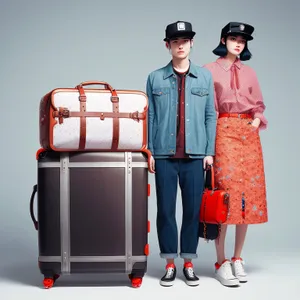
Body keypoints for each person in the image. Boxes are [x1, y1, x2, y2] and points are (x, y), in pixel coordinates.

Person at [146, 20, 217, 287]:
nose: (180, 46)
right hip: (164, 156)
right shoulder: (154, 77)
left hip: (196, 155)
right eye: (175, 42)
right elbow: (150, 116)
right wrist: (149, 151)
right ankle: (169, 264)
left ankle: (188, 262)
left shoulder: (205, 77)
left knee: (191, 211)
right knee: (165, 211)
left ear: (191, 44)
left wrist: (209, 151)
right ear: (168, 45)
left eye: (185, 41)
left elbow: (211, 115)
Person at [203, 22, 268, 287]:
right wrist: (210, 145)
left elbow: (259, 105)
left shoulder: (250, 72)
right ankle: (221, 261)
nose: (238, 43)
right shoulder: (209, 70)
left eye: (243, 40)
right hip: (223, 131)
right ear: (224, 39)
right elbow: (208, 109)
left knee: (247, 196)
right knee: (225, 196)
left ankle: (238, 257)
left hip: (248, 135)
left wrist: (256, 120)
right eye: (234, 38)